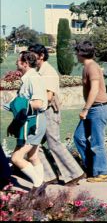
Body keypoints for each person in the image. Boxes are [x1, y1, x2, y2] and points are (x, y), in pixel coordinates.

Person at [28, 44, 86, 186]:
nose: (29, 57)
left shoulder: (48, 71)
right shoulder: (40, 71)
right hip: (40, 112)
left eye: (32, 54)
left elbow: (48, 96)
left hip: (49, 112)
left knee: (54, 143)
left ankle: (75, 174)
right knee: (32, 144)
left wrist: (28, 102)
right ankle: (48, 176)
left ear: (41, 56)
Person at [7, 51, 48, 190]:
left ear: (25, 64)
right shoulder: (28, 78)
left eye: (18, 61)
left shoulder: (33, 79)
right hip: (30, 121)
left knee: (16, 158)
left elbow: (38, 103)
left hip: (33, 123)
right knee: (33, 156)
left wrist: (18, 104)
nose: (15, 63)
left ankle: (39, 185)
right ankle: (40, 190)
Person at [73, 40, 107, 183]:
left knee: (97, 141)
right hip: (93, 109)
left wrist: (85, 109)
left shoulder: (92, 67)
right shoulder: (87, 66)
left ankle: (102, 173)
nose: (75, 54)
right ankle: (92, 168)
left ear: (81, 53)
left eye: (77, 52)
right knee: (79, 137)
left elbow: (95, 90)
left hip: (98, 109)